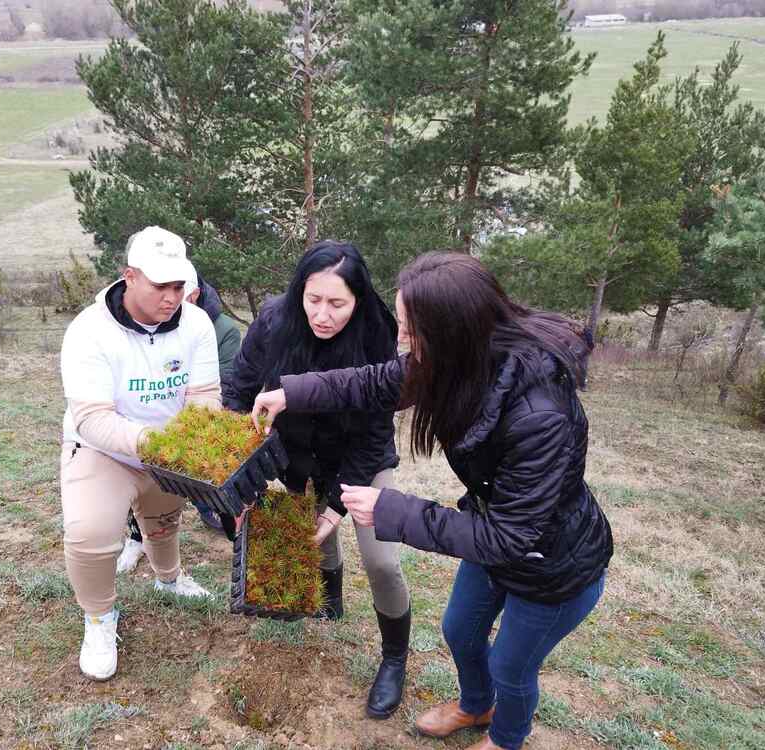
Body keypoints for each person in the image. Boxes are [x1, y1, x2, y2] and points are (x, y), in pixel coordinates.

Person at [251, 252, 613, 750]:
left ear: (452, 329)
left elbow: (511, 535)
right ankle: (475, 704)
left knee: (511, 663)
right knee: (459, 629)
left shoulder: (538, 415)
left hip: (552, 565)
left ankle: (507, 737)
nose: (401, 339)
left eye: (410, 329)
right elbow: (375, 381)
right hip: (495, 538)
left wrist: (390, 509)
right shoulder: (457, 360)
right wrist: (291, 393)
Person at [224, 240, 412, 720]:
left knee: (382, 561)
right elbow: (240, 390)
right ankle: (330, 597)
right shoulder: (273, 321)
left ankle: (393, 660)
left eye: (337, 303)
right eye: (314, 299)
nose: (323, 315)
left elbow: (374, 432)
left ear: (359, 299)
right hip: (298, 456)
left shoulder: (377, 334)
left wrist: (336, 507)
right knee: (318, 538)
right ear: (298, 292)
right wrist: (238, 472)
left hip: (361, 460)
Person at [59, 225, 220, 682]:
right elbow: (92, 417)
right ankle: (98, 618)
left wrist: (192, 443)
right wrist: (153, 444)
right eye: (161, 285)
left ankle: (169, 578)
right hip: (101, 449)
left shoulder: (197, 324)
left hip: (168, 449)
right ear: (129, 276)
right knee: (90, 532)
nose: (173, 296)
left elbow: (204, 394)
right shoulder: (89, 331)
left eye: (179, 285)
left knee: (164, 521)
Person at [116, 267, 242, 573]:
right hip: (149, 420)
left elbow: (223, 382)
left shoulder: (221, 329)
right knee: (141, 476)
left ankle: (212, 509)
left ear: (194, 296)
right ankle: (136, 538)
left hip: (198, 419)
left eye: (178, 296)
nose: (167, 305)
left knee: (201, 473)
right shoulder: (140, 326)